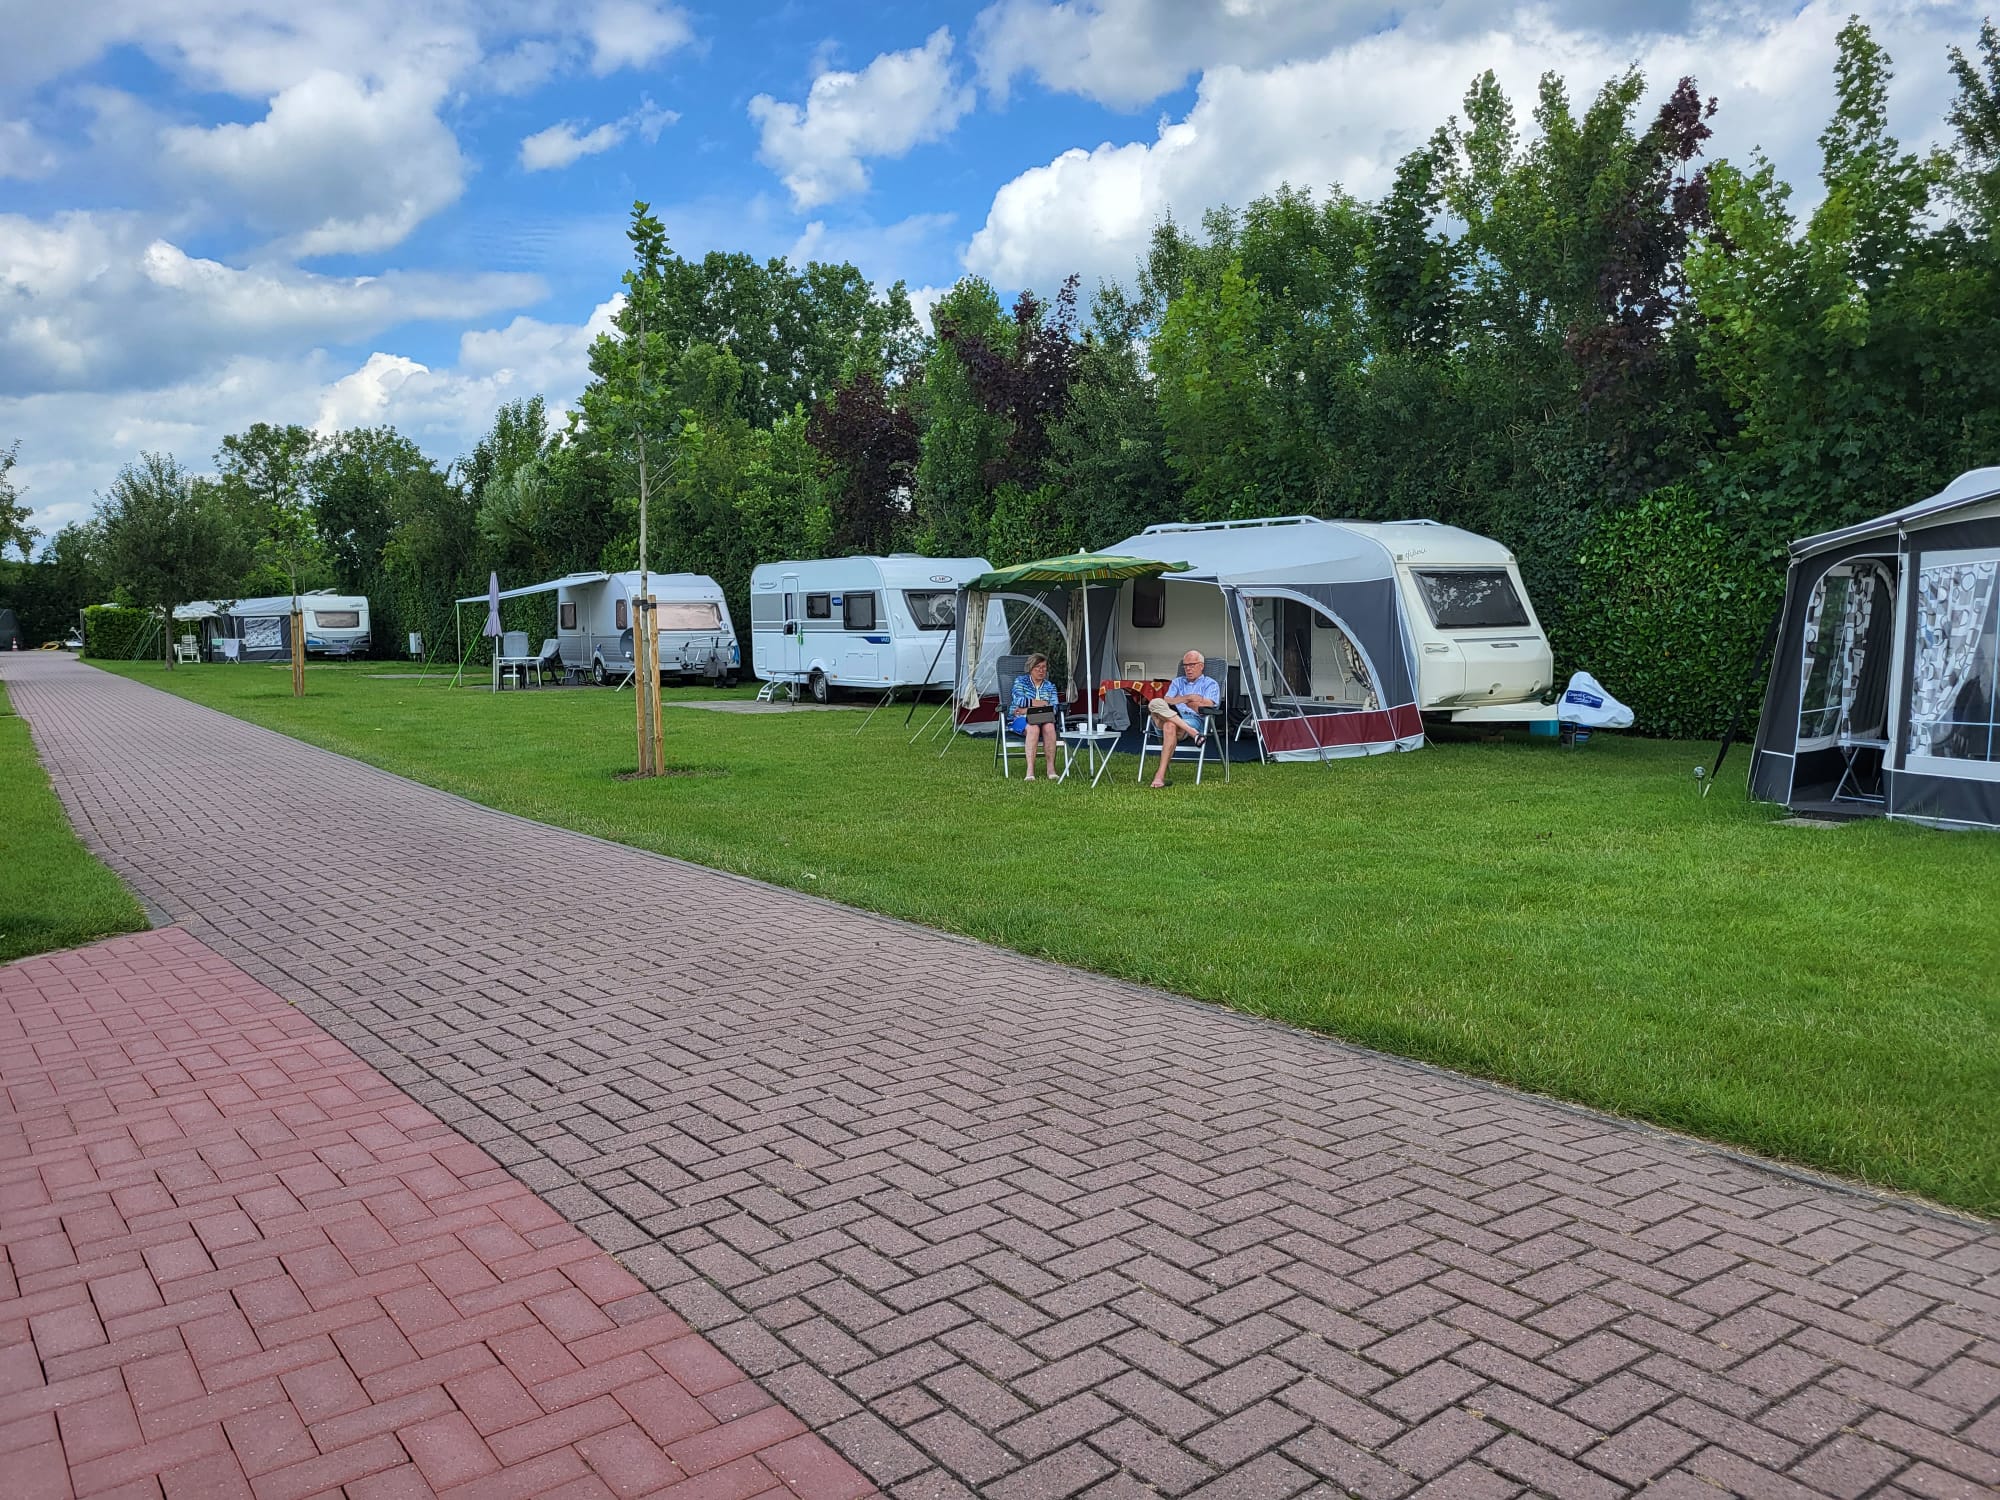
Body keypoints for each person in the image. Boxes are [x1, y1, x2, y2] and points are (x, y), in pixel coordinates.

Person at [1148, 650, 1220, 788]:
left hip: (1191, 719)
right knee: (1155, 702)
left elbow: (1209, 705)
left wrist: (1179, 701)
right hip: (1170, 715)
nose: (1188, 668)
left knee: (1170, 725)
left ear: (1201, 666)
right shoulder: (1177, 682)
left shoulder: (1210, 684)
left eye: (1192, 665)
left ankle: (1159, 776)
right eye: (1185, 665)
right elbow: (1167, 700)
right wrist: (1188, 698)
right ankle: (1194, 734)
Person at [1009, 653, 1063, 781]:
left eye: (1044, 667)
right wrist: (1042, 703)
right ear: (1030, 668)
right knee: (1033, 728)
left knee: (1050, 727)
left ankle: (1051, 769)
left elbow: (1054, 707)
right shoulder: (1020, 681)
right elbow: (1018, 700)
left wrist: (1027, 709)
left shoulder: (1050, 686)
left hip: (1043, 718)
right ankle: (1030, 771)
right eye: (1037, 667)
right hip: (1020, 719)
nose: (1041, 670)